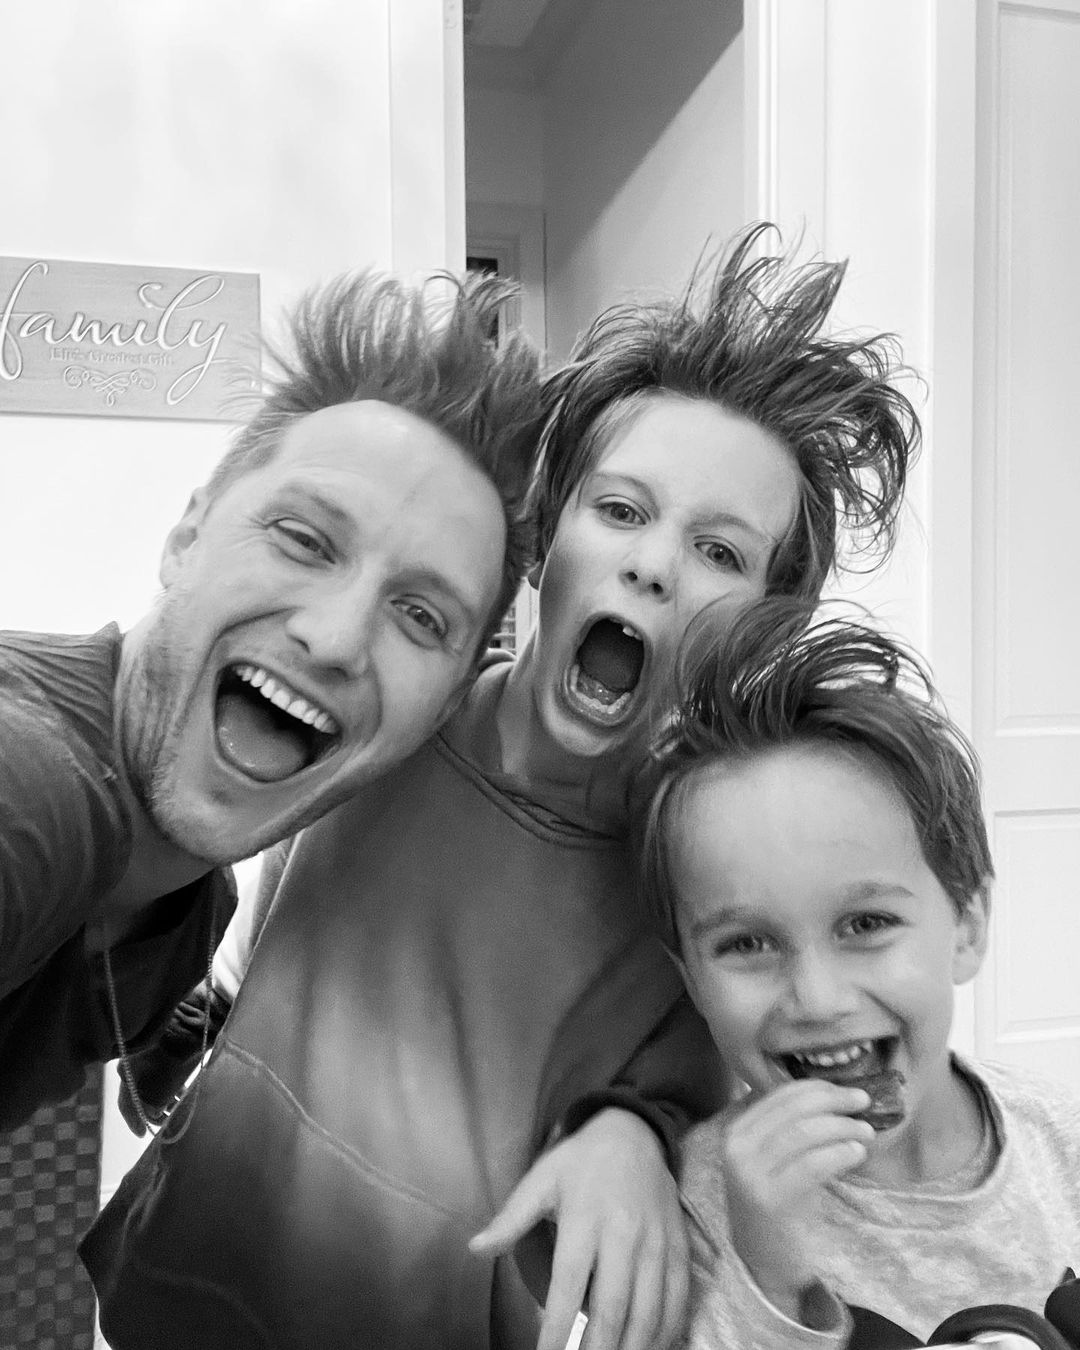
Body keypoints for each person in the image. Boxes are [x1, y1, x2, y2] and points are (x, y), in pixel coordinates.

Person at [83, 224, 920, 1350]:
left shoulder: (697, 881)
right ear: (544, 538)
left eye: (720, 552)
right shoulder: (392, 710)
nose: (652, 564)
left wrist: (633, 1134)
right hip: (168, 1290)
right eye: (620, 511)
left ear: (764, 625)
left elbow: (704, 1113)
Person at [0, 268, 546, 1132]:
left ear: (445, 707)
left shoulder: (193, 912)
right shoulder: (30, 788)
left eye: (420, 616)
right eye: (304, 540)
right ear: (188, 535)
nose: (335, 639)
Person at [635, 600, 1080, 1349]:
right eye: (748, 943)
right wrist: (769, 1281)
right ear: (692, 980)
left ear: (967, 926)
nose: (817, 999)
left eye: (866, 925)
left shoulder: (1064, 1148)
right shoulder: (692, 1207)